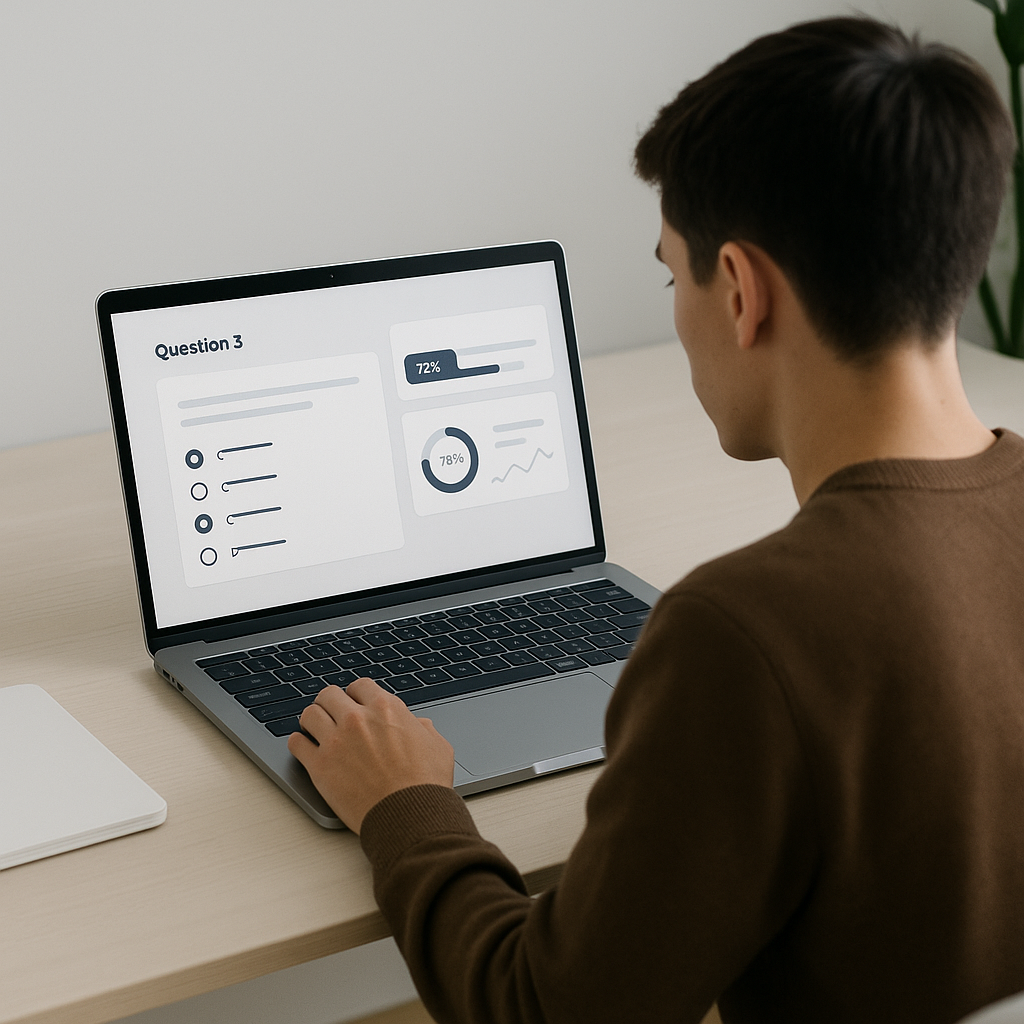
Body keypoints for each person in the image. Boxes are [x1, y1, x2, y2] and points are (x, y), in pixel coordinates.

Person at [289, 16, 1024, 1024]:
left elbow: (542, 1008)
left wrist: (403, 807)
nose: (674, 305)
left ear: (740, 291)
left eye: (669, 272)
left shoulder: (745, 632)